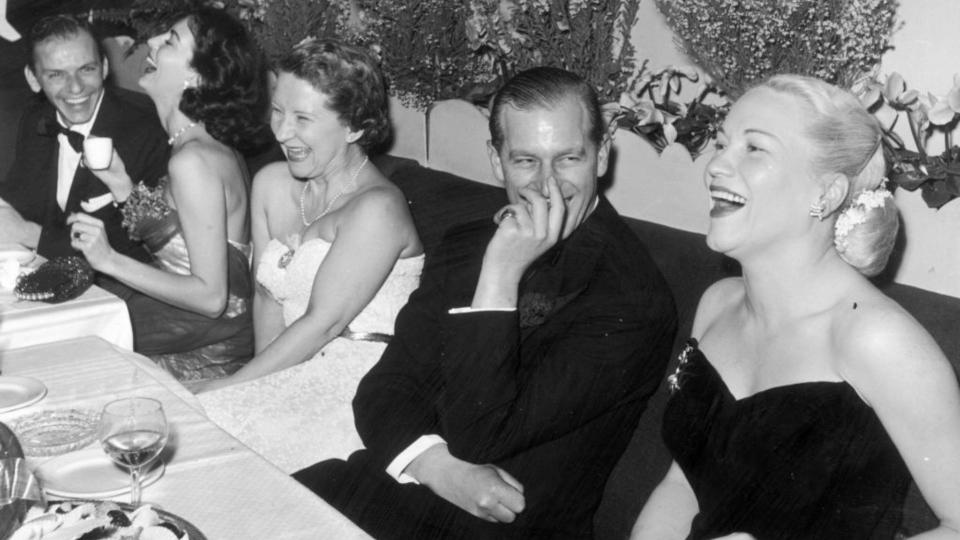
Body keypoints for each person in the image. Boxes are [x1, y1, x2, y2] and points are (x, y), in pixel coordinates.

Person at [294, 66, 678, 539]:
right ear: (496, 162)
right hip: (391, 488)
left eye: (569, 159)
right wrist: (434, 464)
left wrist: (499, 275)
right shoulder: (468, 242)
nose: (548, 184)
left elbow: (481, 433)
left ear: (601, 157)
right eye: (525, 161)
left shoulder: (631, 298)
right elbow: (383, 389)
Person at [631, 75, 960, 540]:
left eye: (754, 148)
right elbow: (681, 483)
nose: (716, 166)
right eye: (722, 144)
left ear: (825, 195)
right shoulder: (717, 304)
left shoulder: (878, 339)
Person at [196, 39, 424, 474]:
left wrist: (230, 390)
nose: (281, 132)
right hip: (292, 370)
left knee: (201, 429)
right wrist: (254, 385)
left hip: (356, 388)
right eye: (278, 112)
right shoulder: (272, 183)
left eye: (302, 118)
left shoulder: (377, 207)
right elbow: (267, 298)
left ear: (355, 126)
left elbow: (325, 323)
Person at [66, 7, 270, 383]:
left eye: (171, 40)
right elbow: (180, 246)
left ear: (196, 75)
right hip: (188, 334)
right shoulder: (200, 145)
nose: (153, 42)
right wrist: (122, 185)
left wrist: (108, 260)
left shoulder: (193, 160)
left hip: (199, 359)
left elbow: (211, 298)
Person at [0, 14, 167, 264]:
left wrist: (31, 235)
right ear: (34, 80)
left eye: (86, 69)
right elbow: (21, 200)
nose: (76, 88)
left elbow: (138, 250)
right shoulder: (38, 117)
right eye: (56, 75)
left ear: (105, 67)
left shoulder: (144, 129)